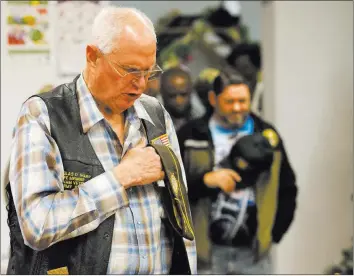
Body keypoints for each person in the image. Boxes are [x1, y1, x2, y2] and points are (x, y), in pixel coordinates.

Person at [5, 7, 196, 275]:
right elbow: (37, 226)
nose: (140, 85)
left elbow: (180, 218)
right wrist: (120, 179)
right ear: (93, 56)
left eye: (148, 72)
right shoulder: (43, 116)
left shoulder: (155, 115)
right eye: (130, 70)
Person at [177, 71, 298, 274]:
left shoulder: (268, 135)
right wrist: (204, 182)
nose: (237, 108)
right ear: (213, 99)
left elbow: (287, 188)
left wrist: (271, 236)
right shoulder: (190, 136)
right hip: (206, 255)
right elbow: (172, 191)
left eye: (243, 101)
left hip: (253, 255)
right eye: (229, 101)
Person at [158, 66, 205, 131]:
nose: (179, 101)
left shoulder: (200, 115)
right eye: (172, 96)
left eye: (183, 95)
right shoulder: (153, 118)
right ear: (162, 93)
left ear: (191, 91)